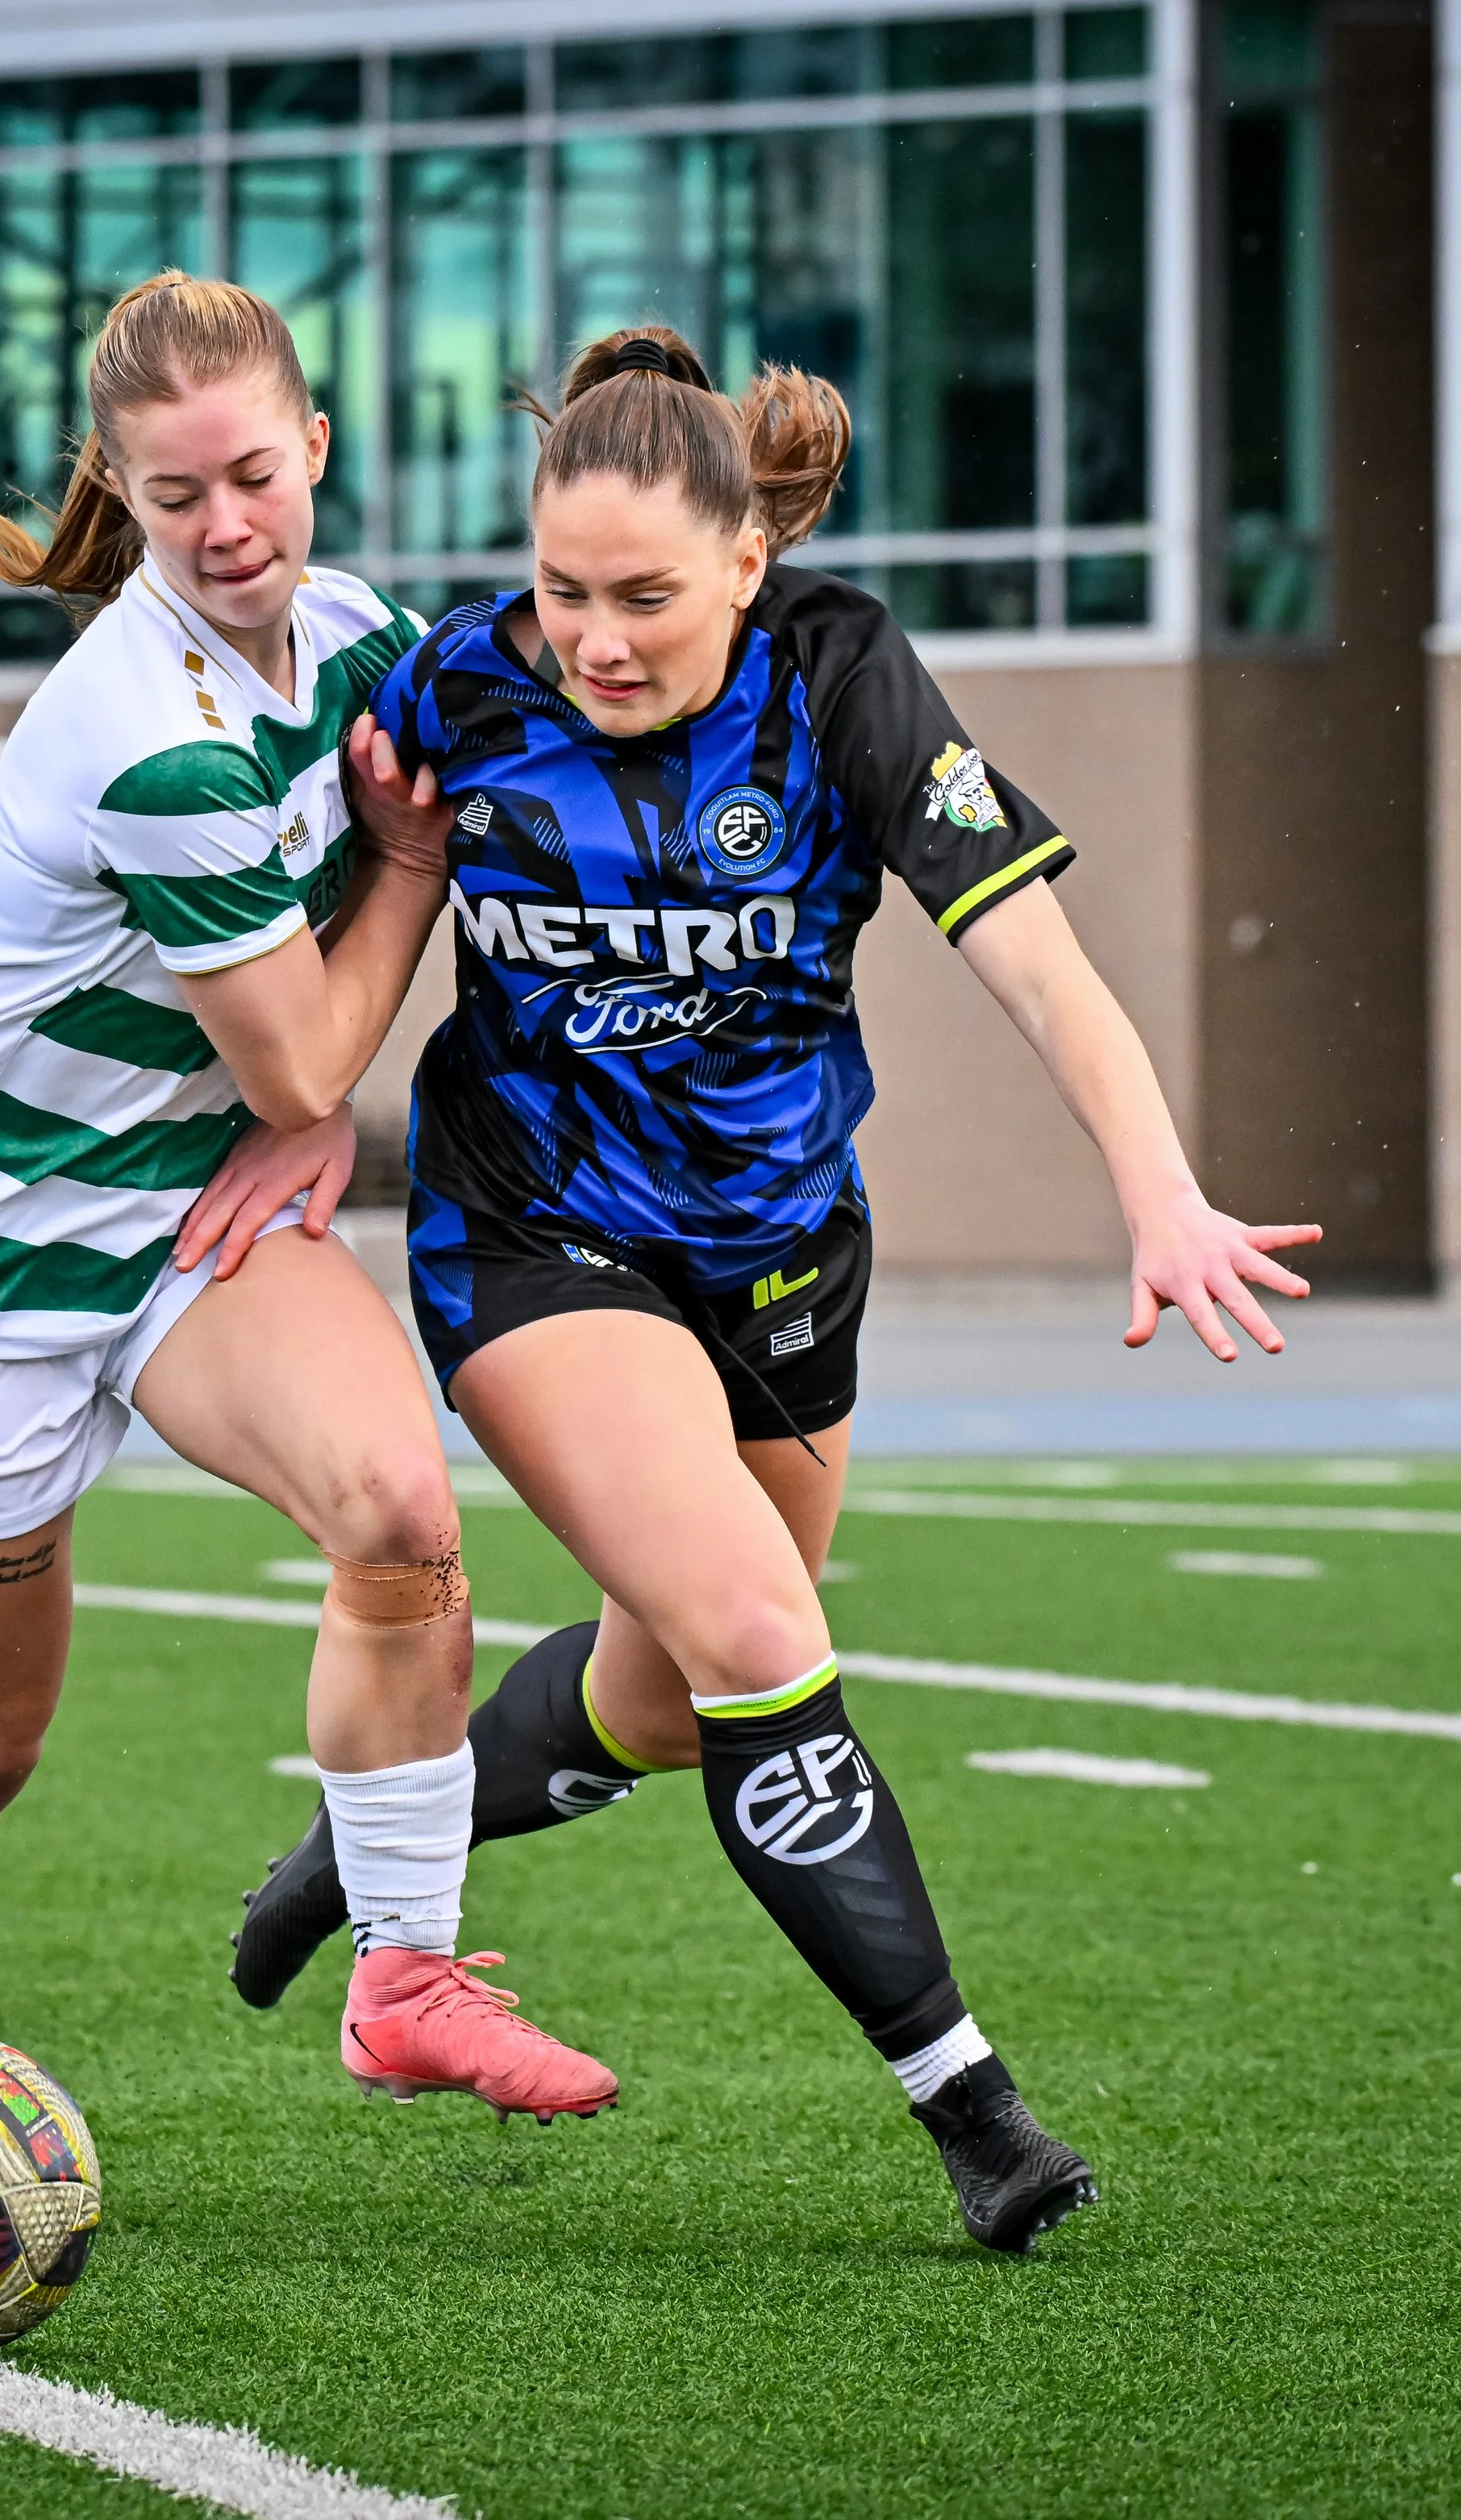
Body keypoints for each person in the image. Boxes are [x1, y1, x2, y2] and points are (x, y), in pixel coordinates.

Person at [204, 325, 1322, 2253]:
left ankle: (380, 1832)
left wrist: (1162, 1193)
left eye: (645, 595)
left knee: (661, 1694)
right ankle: (972, 2109)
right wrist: (309, 1098)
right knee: (748, 1624)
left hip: (789, 1258)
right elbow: (320, 918)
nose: (597, 638)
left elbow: (1042, 970)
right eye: (564, 591)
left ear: (746, 563)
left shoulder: (843, 674)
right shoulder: (460, 683)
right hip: (539, 1237)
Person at [0, 273, 616, 2210]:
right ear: (119, 500)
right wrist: (402, 869)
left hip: (176, 1226)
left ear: (314, 447)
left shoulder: (368, 635)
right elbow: (310, 1048)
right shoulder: (151, 732)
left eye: (252, 475)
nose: (227, 527)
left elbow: (533, 758)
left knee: (400, 1505)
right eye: (171, 498)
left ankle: (401, 1972)